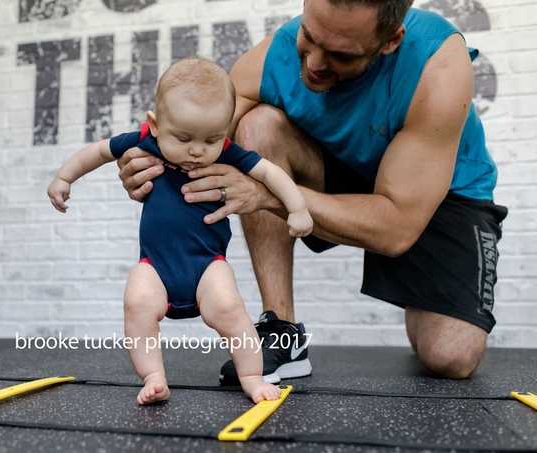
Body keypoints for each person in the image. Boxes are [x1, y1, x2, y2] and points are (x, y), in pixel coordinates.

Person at [116, 0, 508, 382]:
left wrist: (267, 196)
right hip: (333, 167)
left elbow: (396, 228)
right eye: (309, 36)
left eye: (340, 54)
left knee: (449, 357)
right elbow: (190, 136)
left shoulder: (437, 63)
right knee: (258, 128)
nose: (316, 63)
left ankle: (426, 304)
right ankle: (280, 331)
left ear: (391, 40)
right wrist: (146, 163)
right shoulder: (275, 55)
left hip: (433, 194)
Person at [47, 56, 314, 404]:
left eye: (211, 139)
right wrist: (64, 177)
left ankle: (252, 375)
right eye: (184, 137)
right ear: (155, 124)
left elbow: (270, 173)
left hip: (207, 264)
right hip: (156, 266)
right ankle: (154, 377)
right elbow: (98, 152)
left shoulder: (227, 153)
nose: (197, 150)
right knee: (137, 303)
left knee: (231, 310)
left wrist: (297, 207)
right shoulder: (144, 141)